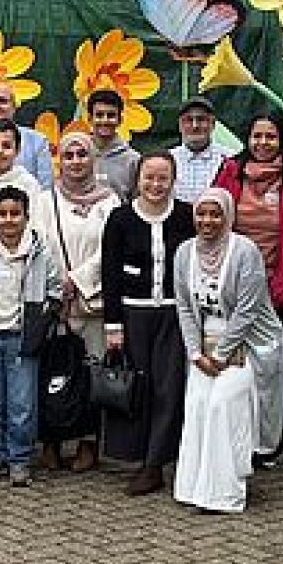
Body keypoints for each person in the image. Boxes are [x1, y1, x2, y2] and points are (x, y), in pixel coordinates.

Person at [211, 111, 283, 466]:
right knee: (233, 367)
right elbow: (211, 216)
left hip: (279, 290)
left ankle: (267, 443)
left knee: (271, 372)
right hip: (230, 290)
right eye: (257, 136)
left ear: (282, 139)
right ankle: (234, 437)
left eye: (271, 137)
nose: (263, 143)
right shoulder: (231, 173)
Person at [172, 188, 283, 514]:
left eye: (215, 214)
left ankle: (225, 492)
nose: (207, 221)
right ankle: (194, 487)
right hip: (204, 346)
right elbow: (184, 306)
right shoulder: (184, 252)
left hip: (246, 346)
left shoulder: (244, 251)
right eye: (201, 214)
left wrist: (221, 355)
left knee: (223, 406)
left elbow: (248, 311)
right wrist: (195, 353)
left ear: (228, 216)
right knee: (196, 406)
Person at [102, 152, 196, 496]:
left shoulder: (186, 216)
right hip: (133, 313)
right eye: (149, 178)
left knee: (168, 389)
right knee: (137, 387)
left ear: (173, 180)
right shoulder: (120, 219)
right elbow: (110, 273)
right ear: (137, 179)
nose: (155, 185)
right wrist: (113, 324)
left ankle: (157, 462)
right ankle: (137, 456)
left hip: (173, 314)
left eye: (163, 178)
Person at [0, 185, 61, 487]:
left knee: (21, 403)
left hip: (22, 338)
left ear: (26, 216)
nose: (8, 220)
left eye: (15, 214)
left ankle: (19, 458)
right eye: (2, 214)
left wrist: (42, 320)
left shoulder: (39, 252)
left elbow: (54, 287)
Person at [33, 131, 120, 471]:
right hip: (54, 300)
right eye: (68, 156)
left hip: (92, 301)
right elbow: (38, 244)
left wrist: (79, 279)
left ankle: (88, 442)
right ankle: (51, 441)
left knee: (90, 370)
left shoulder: (110, 202)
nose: (75, 162)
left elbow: (110, 250)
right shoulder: (44, 200)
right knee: (52, 369)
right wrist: (58, 284)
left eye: (82, 155)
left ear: (92, 159)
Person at [170, 96, 228, 202]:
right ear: (180, 125)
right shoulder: (168, 160)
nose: (195, 126)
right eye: (188, 120)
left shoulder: (228, 159)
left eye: (201, 119)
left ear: (213, 124)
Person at [86, 89, 141, 201]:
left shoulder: (133, 160)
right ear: (89, 119)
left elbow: (138, 202)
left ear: (120, 120)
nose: (105, 121)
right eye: (99, 115)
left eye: (111, 115)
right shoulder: (78, 155)